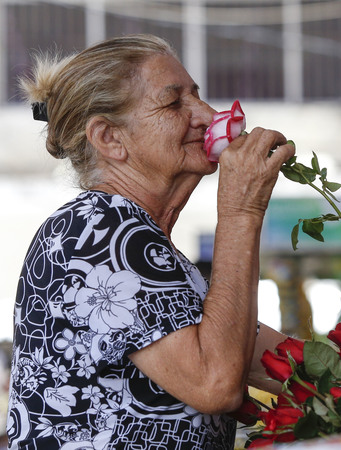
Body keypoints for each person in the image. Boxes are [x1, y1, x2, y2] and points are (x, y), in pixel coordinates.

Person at [8, 34, 295, 449]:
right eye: (175, 103)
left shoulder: (142, 244)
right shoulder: (97, 232)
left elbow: (276, 362)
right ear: (109, 139)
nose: (206, 115)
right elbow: (215, 383)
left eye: (197, 96)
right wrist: (240, 212)